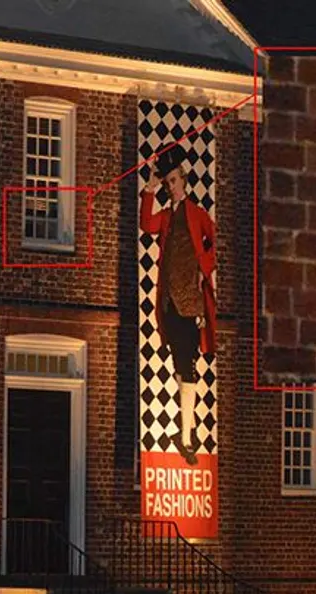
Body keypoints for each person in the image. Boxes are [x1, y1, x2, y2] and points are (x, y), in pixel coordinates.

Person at [139, 142, 217, 466]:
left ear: (184, 180)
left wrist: (204, 269)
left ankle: (187, 436)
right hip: (169, 303)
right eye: (167, 182)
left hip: (190, 303)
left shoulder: (197, 214)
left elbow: (215, 243)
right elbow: (146, 224)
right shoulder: (168, 217)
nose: (170, 186)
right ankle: (188, 431)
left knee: (187, 368)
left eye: (173, 181)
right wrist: (150, 187)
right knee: (178, 366)